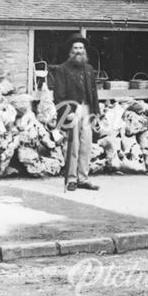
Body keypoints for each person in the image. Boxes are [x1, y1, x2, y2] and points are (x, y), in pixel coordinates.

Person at [47, 34, 100, 191]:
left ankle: (83, 178)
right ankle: (71, 179)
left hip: (87, 109)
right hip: (72, 109)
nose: (79, 51)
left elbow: (94, 93)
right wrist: (67, 111)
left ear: (84, 51)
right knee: (73, 145)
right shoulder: (63, 70)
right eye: (75, 48)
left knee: (86, 144)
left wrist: (96, 113)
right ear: (71, 51)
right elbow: (58, 95)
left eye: (81, 48)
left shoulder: (89, 69)